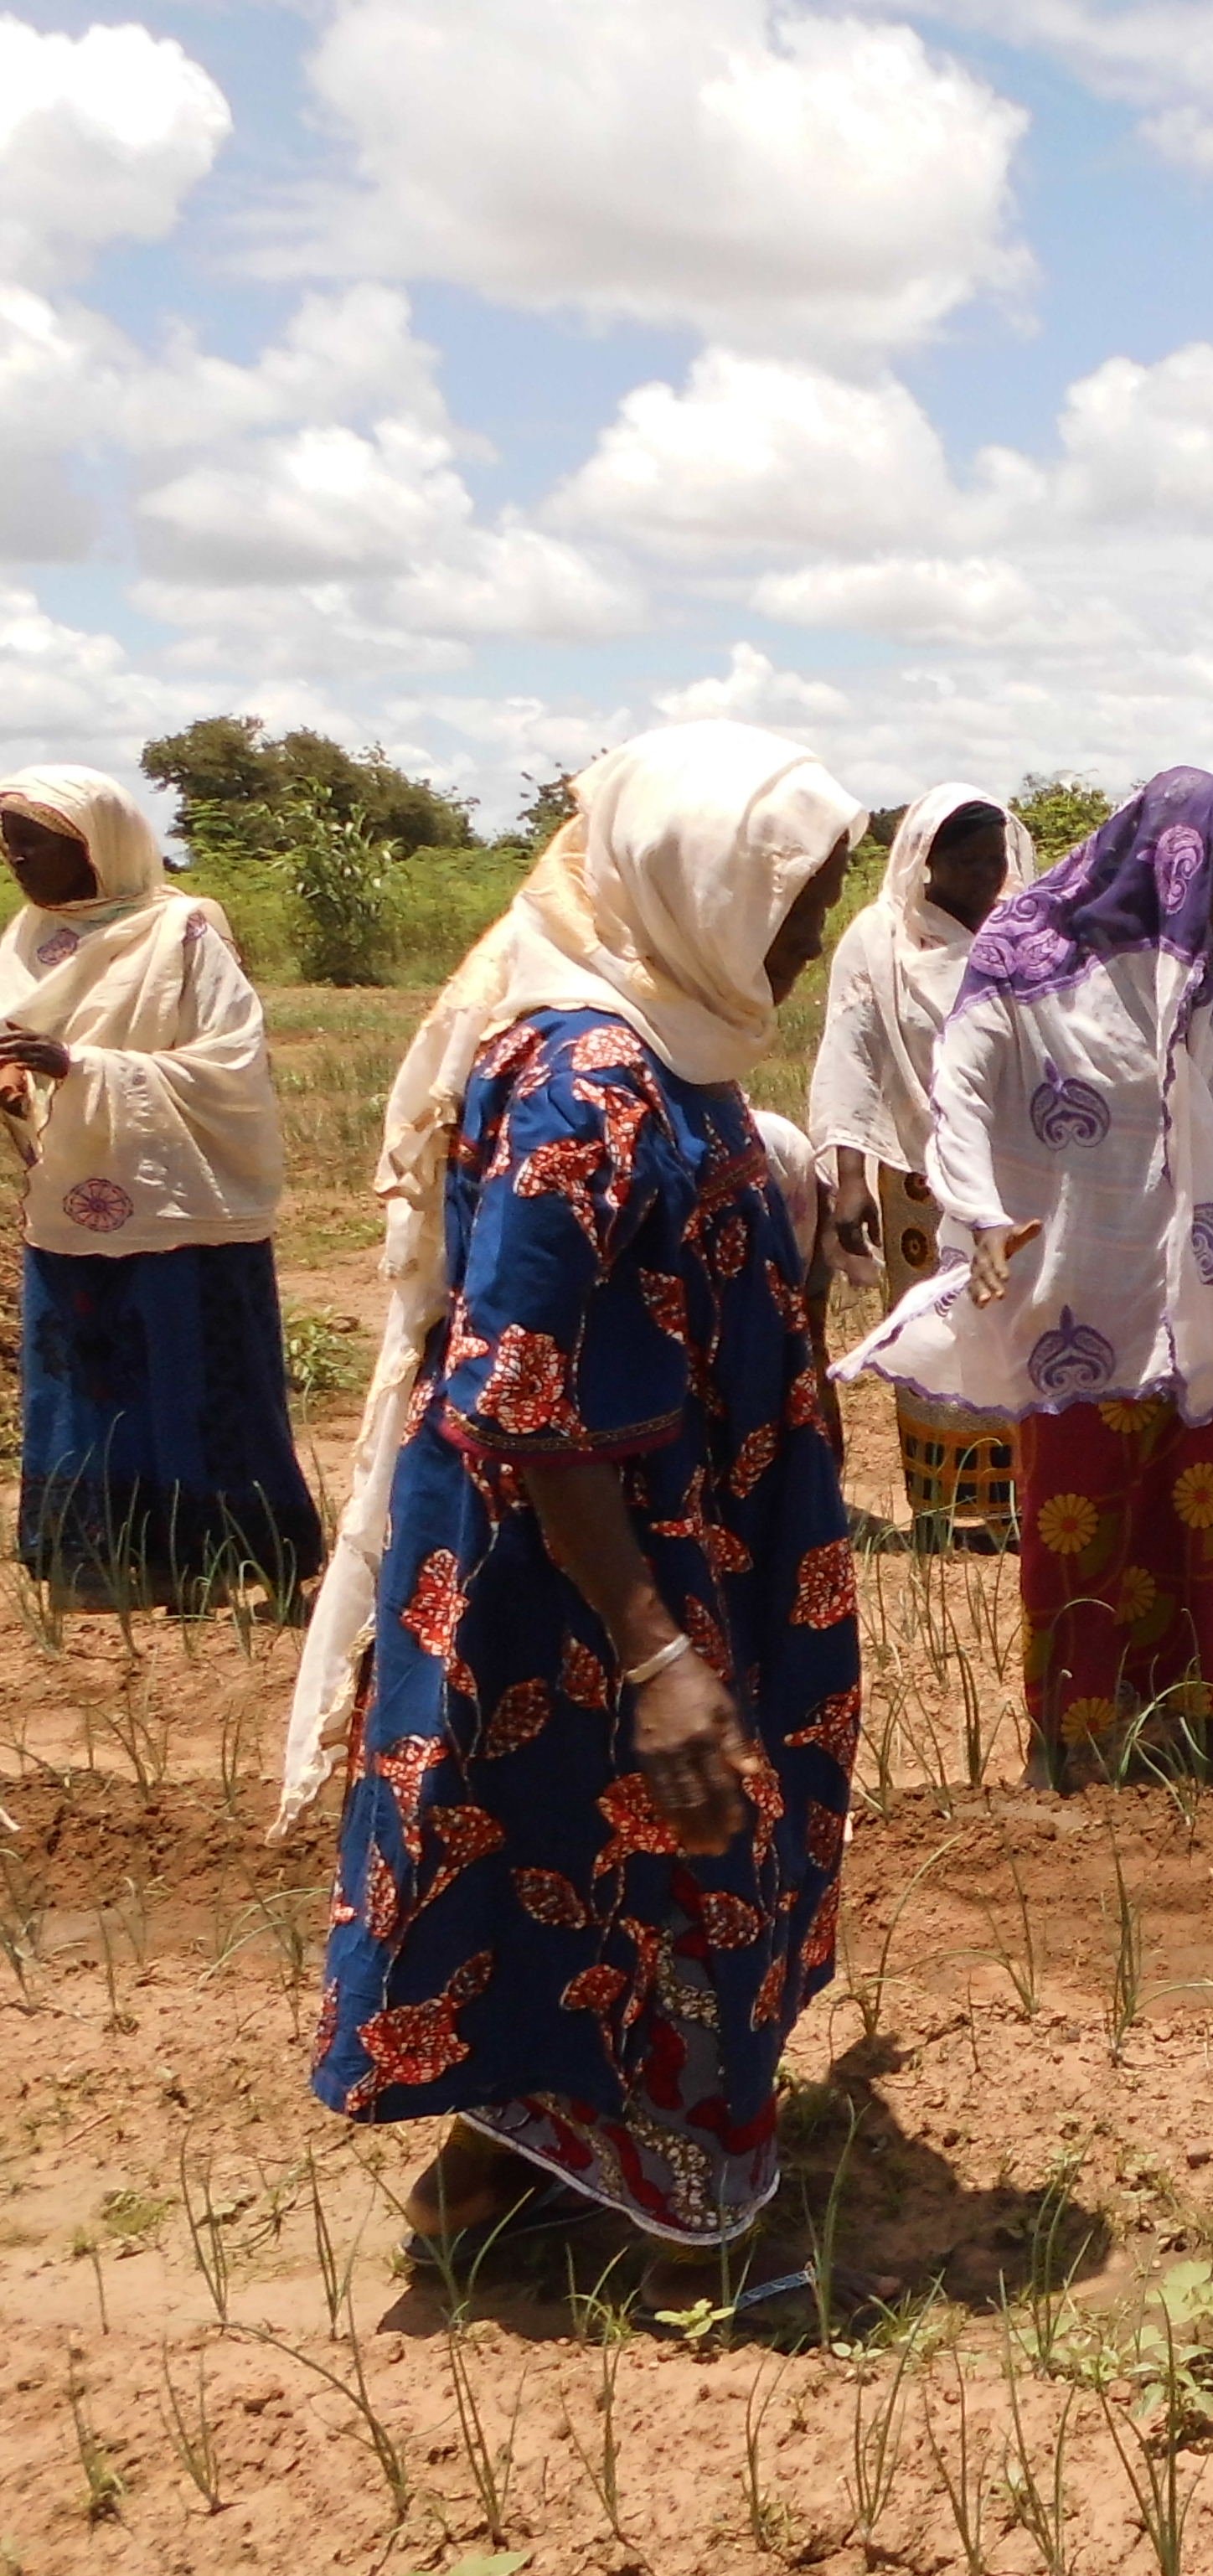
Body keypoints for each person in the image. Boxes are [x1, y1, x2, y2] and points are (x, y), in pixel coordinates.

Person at [280, 722, 867, 2279]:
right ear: (689, 883)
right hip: (590, 1567)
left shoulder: (678, 1044)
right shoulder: (582, 1078)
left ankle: (502, 2175)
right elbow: (520, 1388)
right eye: (794, 900)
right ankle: (696, 2219)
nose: (809, 939)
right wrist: (659, 1650)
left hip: (692, 1538)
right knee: (674, 1858)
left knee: (603, 1866)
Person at [840, 768, 1213, 1786]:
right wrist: (975, 1215)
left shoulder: (1200, 973)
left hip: (1186, 1297)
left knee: (1193, 1508)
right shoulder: (1023, 955)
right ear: (1172, 869)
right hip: (1069, 1298)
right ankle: (1074, 1740)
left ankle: (1211, 1724)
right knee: (1078, 1515)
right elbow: (958, 1094)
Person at [0, 768, 321, 1611]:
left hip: (184, 1209)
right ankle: (98, 1568)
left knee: (195, 1369)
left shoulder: (180, 932)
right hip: (71, 1201)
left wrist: (83, 1067)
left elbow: (233, 1062)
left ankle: (230, 1560)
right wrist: (19, 1083)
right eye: (9, 839)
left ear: (94, 846)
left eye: (31, 840)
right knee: (87, 1377)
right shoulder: (26, 938)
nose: (14, 855)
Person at [805, 785, 1034, 1545]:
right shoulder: (879, 942)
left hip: (1017, 1169)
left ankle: (1021, 1497)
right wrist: (846, 1179)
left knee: (1020, 1325)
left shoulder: (1028, 933)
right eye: (966, 863)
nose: (984, 877)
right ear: (925, 863)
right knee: (938, 1328)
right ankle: (944, 1505)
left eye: (994, 860)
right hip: (918, 1175)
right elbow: (852, 1060)